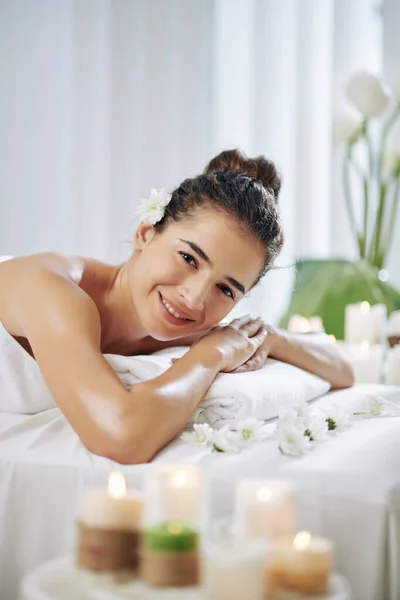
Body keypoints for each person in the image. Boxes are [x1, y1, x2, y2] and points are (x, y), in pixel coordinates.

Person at [0, 149, 354, 464]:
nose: (196, 298)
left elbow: (342, 368)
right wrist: (209, 357)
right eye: (188, 258)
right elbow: (121, 436)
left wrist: (269, 339)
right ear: (145, 233)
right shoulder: (54, 292)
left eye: (226, 290)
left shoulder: (190, 322)